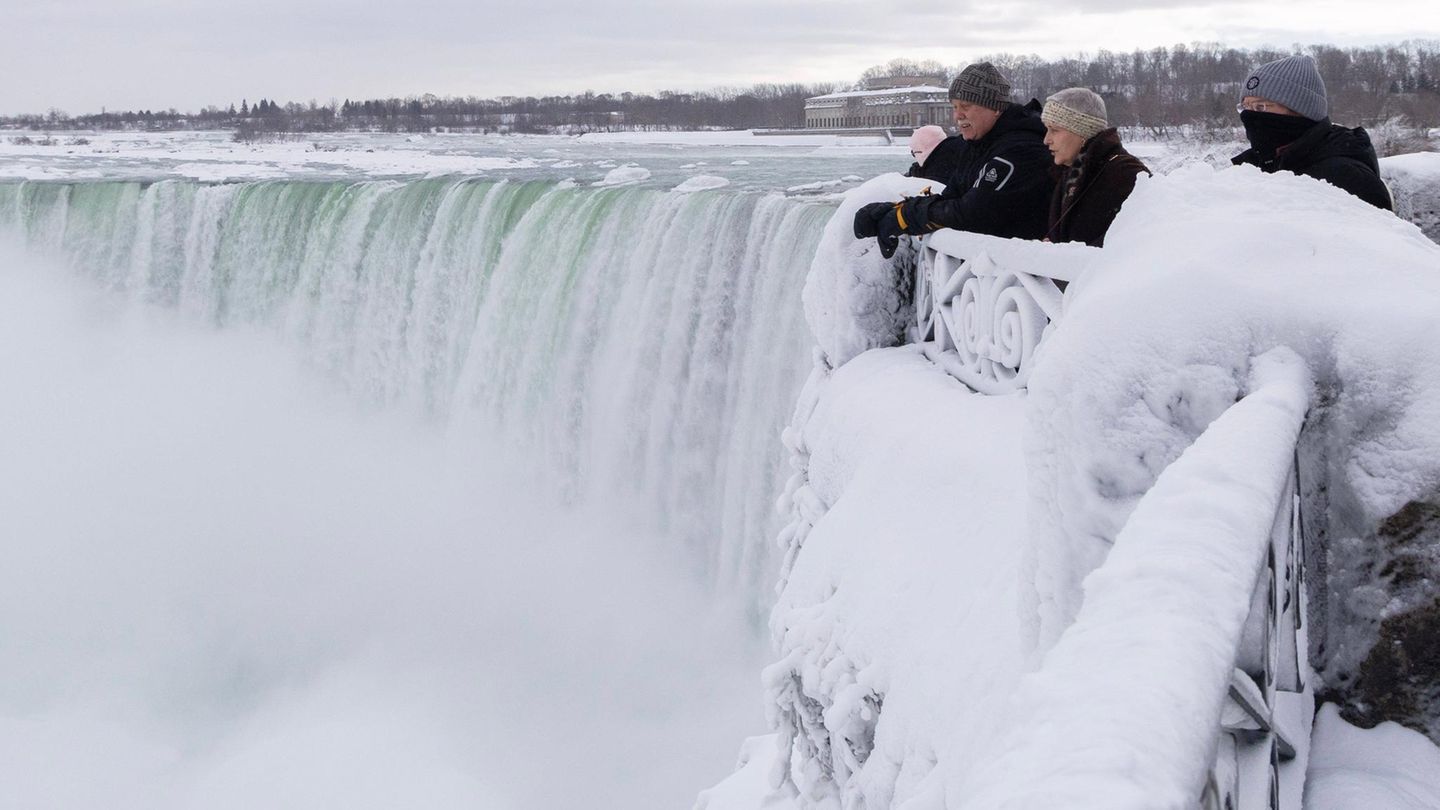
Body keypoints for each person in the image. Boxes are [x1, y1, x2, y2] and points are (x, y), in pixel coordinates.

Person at [854, 62, 1054, 258]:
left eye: (965, 106)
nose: (957, 115)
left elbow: (970, 213)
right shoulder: (979, 144)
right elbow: (952, 198)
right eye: (954, 106)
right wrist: (896, 209)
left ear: (996, 108)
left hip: (1026, 276)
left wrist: (904, 217)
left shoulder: (1020, 149)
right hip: (994, 275)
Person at [1231, 54, 1392, 211]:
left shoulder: (1348, 179)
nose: (1249, 116)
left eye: (1261, 107)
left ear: (1300, 111)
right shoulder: (1257, 165)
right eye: (1246, 107)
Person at [1040, 88, 1149, 247]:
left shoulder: (1127, 173)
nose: (1046, 140)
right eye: (1047, 130)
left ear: (1082, 132)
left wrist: (1071, 258)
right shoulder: (1070, 173)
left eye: (1054, 130)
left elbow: (1138, 241)